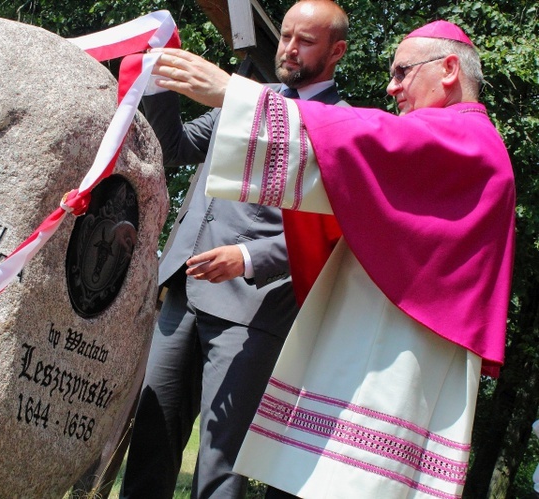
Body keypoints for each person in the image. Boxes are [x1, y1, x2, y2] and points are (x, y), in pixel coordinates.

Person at [147, 19, 515, 499]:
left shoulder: (467, 139)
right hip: (358, 340)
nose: (392, 86)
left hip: (397, 358)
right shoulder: (447, 135)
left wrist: (237, 95)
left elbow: (362, 139)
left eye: (402, 72)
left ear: (448, 69)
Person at [120, 1, 349, 498]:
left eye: (305, 41)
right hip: (182, 287)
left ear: (337, 52)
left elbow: (337, 229)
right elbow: (174, 148)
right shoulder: (251, 97)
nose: (288, 48)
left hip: (253, 306)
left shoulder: (342, 126)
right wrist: (160, 82)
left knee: (221, 461)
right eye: (286, 36)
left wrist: (248, 258)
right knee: (151, 438)